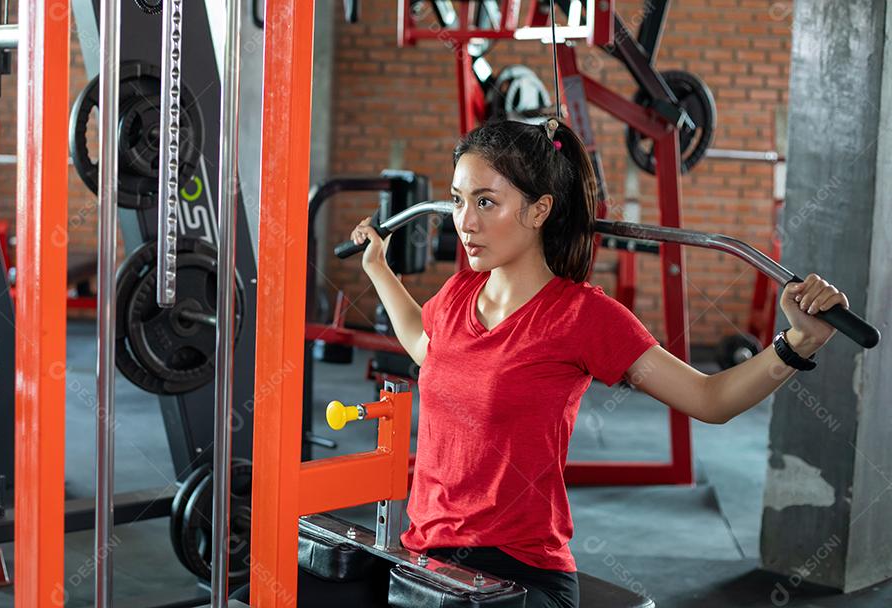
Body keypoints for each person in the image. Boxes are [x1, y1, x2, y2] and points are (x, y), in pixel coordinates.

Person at [348, 118, 849, 608]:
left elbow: (709, 400)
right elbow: (425, 345)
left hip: (516, 571)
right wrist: (377, 267)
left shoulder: (583, 317)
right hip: (427, 559)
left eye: (485, 202)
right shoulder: (459, 293)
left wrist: (797, 344)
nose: (465, 222)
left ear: (540, 210)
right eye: (458, 201)